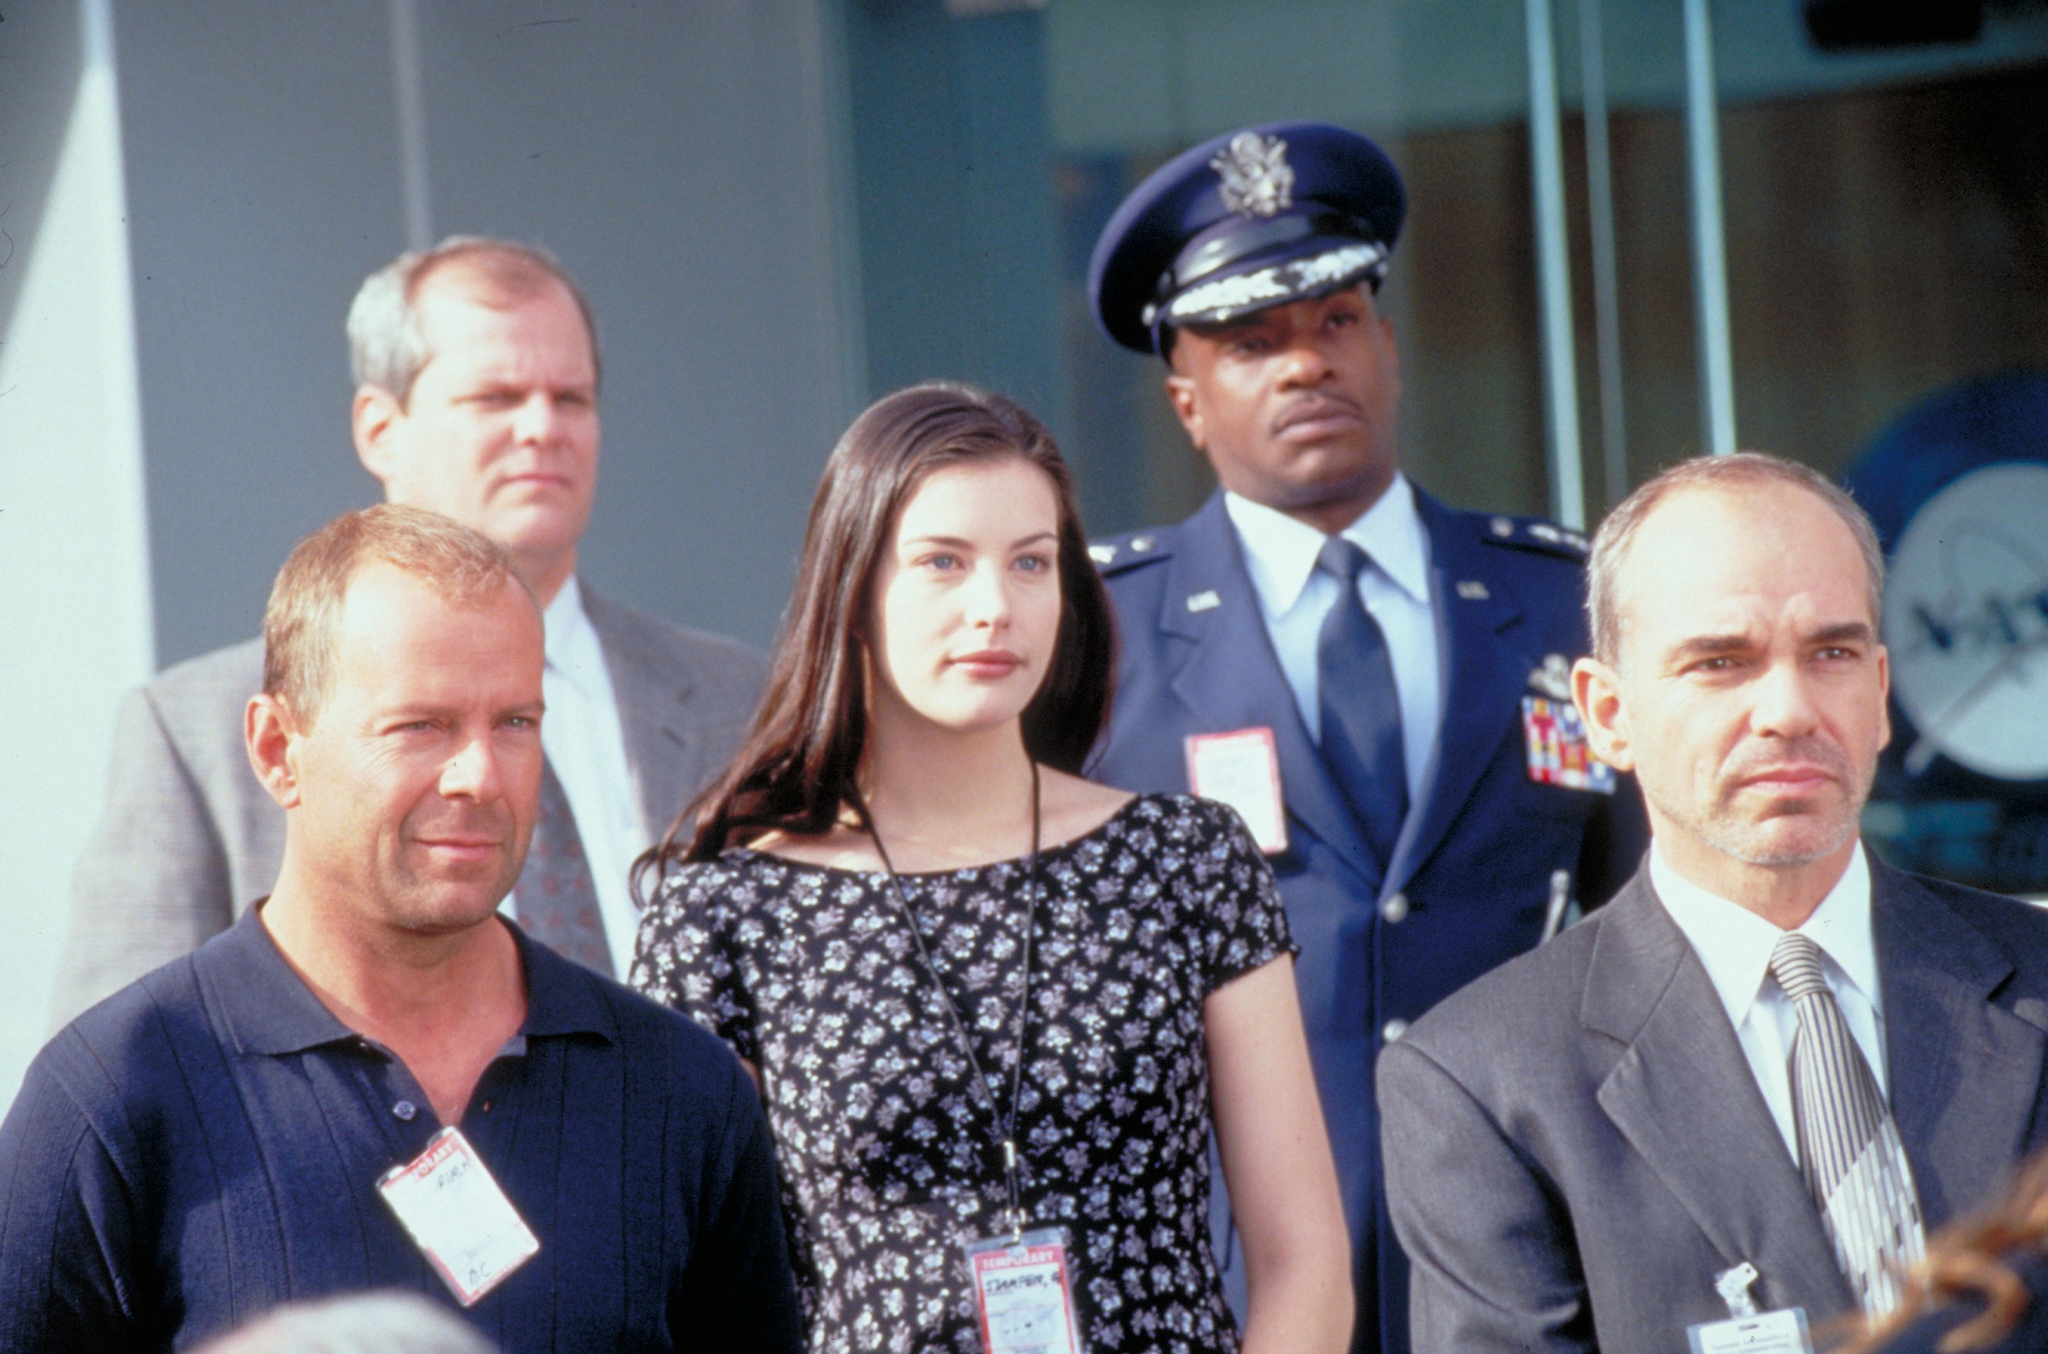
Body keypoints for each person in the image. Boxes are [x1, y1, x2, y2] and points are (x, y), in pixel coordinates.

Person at [632, 383, 1352, 1353]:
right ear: (851, 588)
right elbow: (686, 1290)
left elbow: (1303, 1260)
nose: (993, 607)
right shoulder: (726, 913)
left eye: (1029, 563)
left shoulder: (1184, 860)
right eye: (941, 562)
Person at [1082, 120, 1646, 1351]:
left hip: (1545, 1255)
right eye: (1250, 343)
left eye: (1333, 322)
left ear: (1386, 347)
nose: (1303, 366)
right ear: (1186, 399)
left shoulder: (1567, 599)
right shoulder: (1101, 640)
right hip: (1254, 1281)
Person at [0, 506, 802, 1353]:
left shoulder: (681, 1090)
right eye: (421, 725)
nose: (480, 776)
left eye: (515, 724)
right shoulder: (115, 1097)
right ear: (278, 750)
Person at [1376, 453, 2048, 1354]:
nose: (1787, 708)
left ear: (1883, 694)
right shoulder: (1483, 1082)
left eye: (1832, 653)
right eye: (1721, 661)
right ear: (1606, 714)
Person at [53, 236, 766, 1015]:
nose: (542, 428)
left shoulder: (741, 700)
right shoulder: (195, 732)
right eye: (495, 397)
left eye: (572, 398)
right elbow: (117, 1076)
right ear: (380, 429)